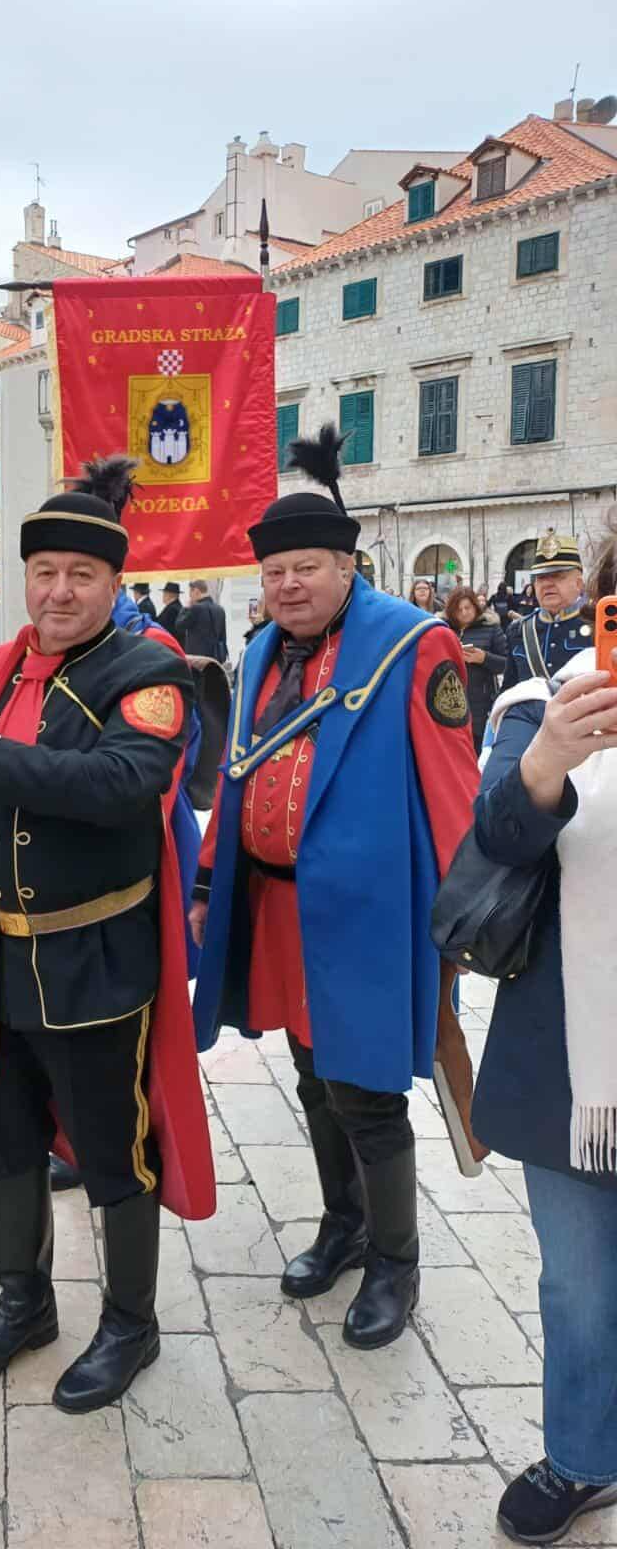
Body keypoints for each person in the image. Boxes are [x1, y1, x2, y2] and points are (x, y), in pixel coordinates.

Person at [0, 467, 215, 1413]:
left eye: (81, 574)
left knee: (114, 1149)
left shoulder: (148, 673)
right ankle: (23, 1304)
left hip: (95, 960)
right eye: (44, 572)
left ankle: (130, 1323)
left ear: (114, 583)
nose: (59, 591)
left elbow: (125, 785)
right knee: (3, 1138)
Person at [190, 424, 480, 1350]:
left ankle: (396, 1263)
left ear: (347, 566)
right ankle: (343, 1225)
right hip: (277, 907)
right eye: (274, 573)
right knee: (313, 1076)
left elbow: (452, 787)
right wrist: (206, 876)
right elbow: (237, 774)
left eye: (305, 568)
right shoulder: (262, 652)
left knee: (366, 1091)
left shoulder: (414, 645)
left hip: (368, 918)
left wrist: (467, 911)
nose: (288, 586)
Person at [471, 527, 617, 1546]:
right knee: (576, 1278)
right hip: (573, 1057)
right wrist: (549, 763)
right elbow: (493, 841)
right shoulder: (542, 702)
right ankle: (583, 1455)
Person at [502, 532, 591, 690]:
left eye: (557, 576)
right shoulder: (519, 630)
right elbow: (509, 688)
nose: (547, 584)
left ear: (579, 584)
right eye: (541, 578)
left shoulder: (599, 624)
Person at [443, 586, 508, 754]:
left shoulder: (491, 628)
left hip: (480, 704)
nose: (464, 613)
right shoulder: (443, 630)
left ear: (475, 607)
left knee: (477, 752)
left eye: (468, 608)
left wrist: (484, 658)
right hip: (448, 702)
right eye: (459, 609)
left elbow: (507, 664)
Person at [177, 579, 227, 663]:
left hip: (198, 658)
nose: (190, 597)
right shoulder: (220, 609)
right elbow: (223, 636)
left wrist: (185, 608)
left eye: (190, 594)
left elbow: (179, 625)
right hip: (216, 657)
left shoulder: (196, 608)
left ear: (196, 591)